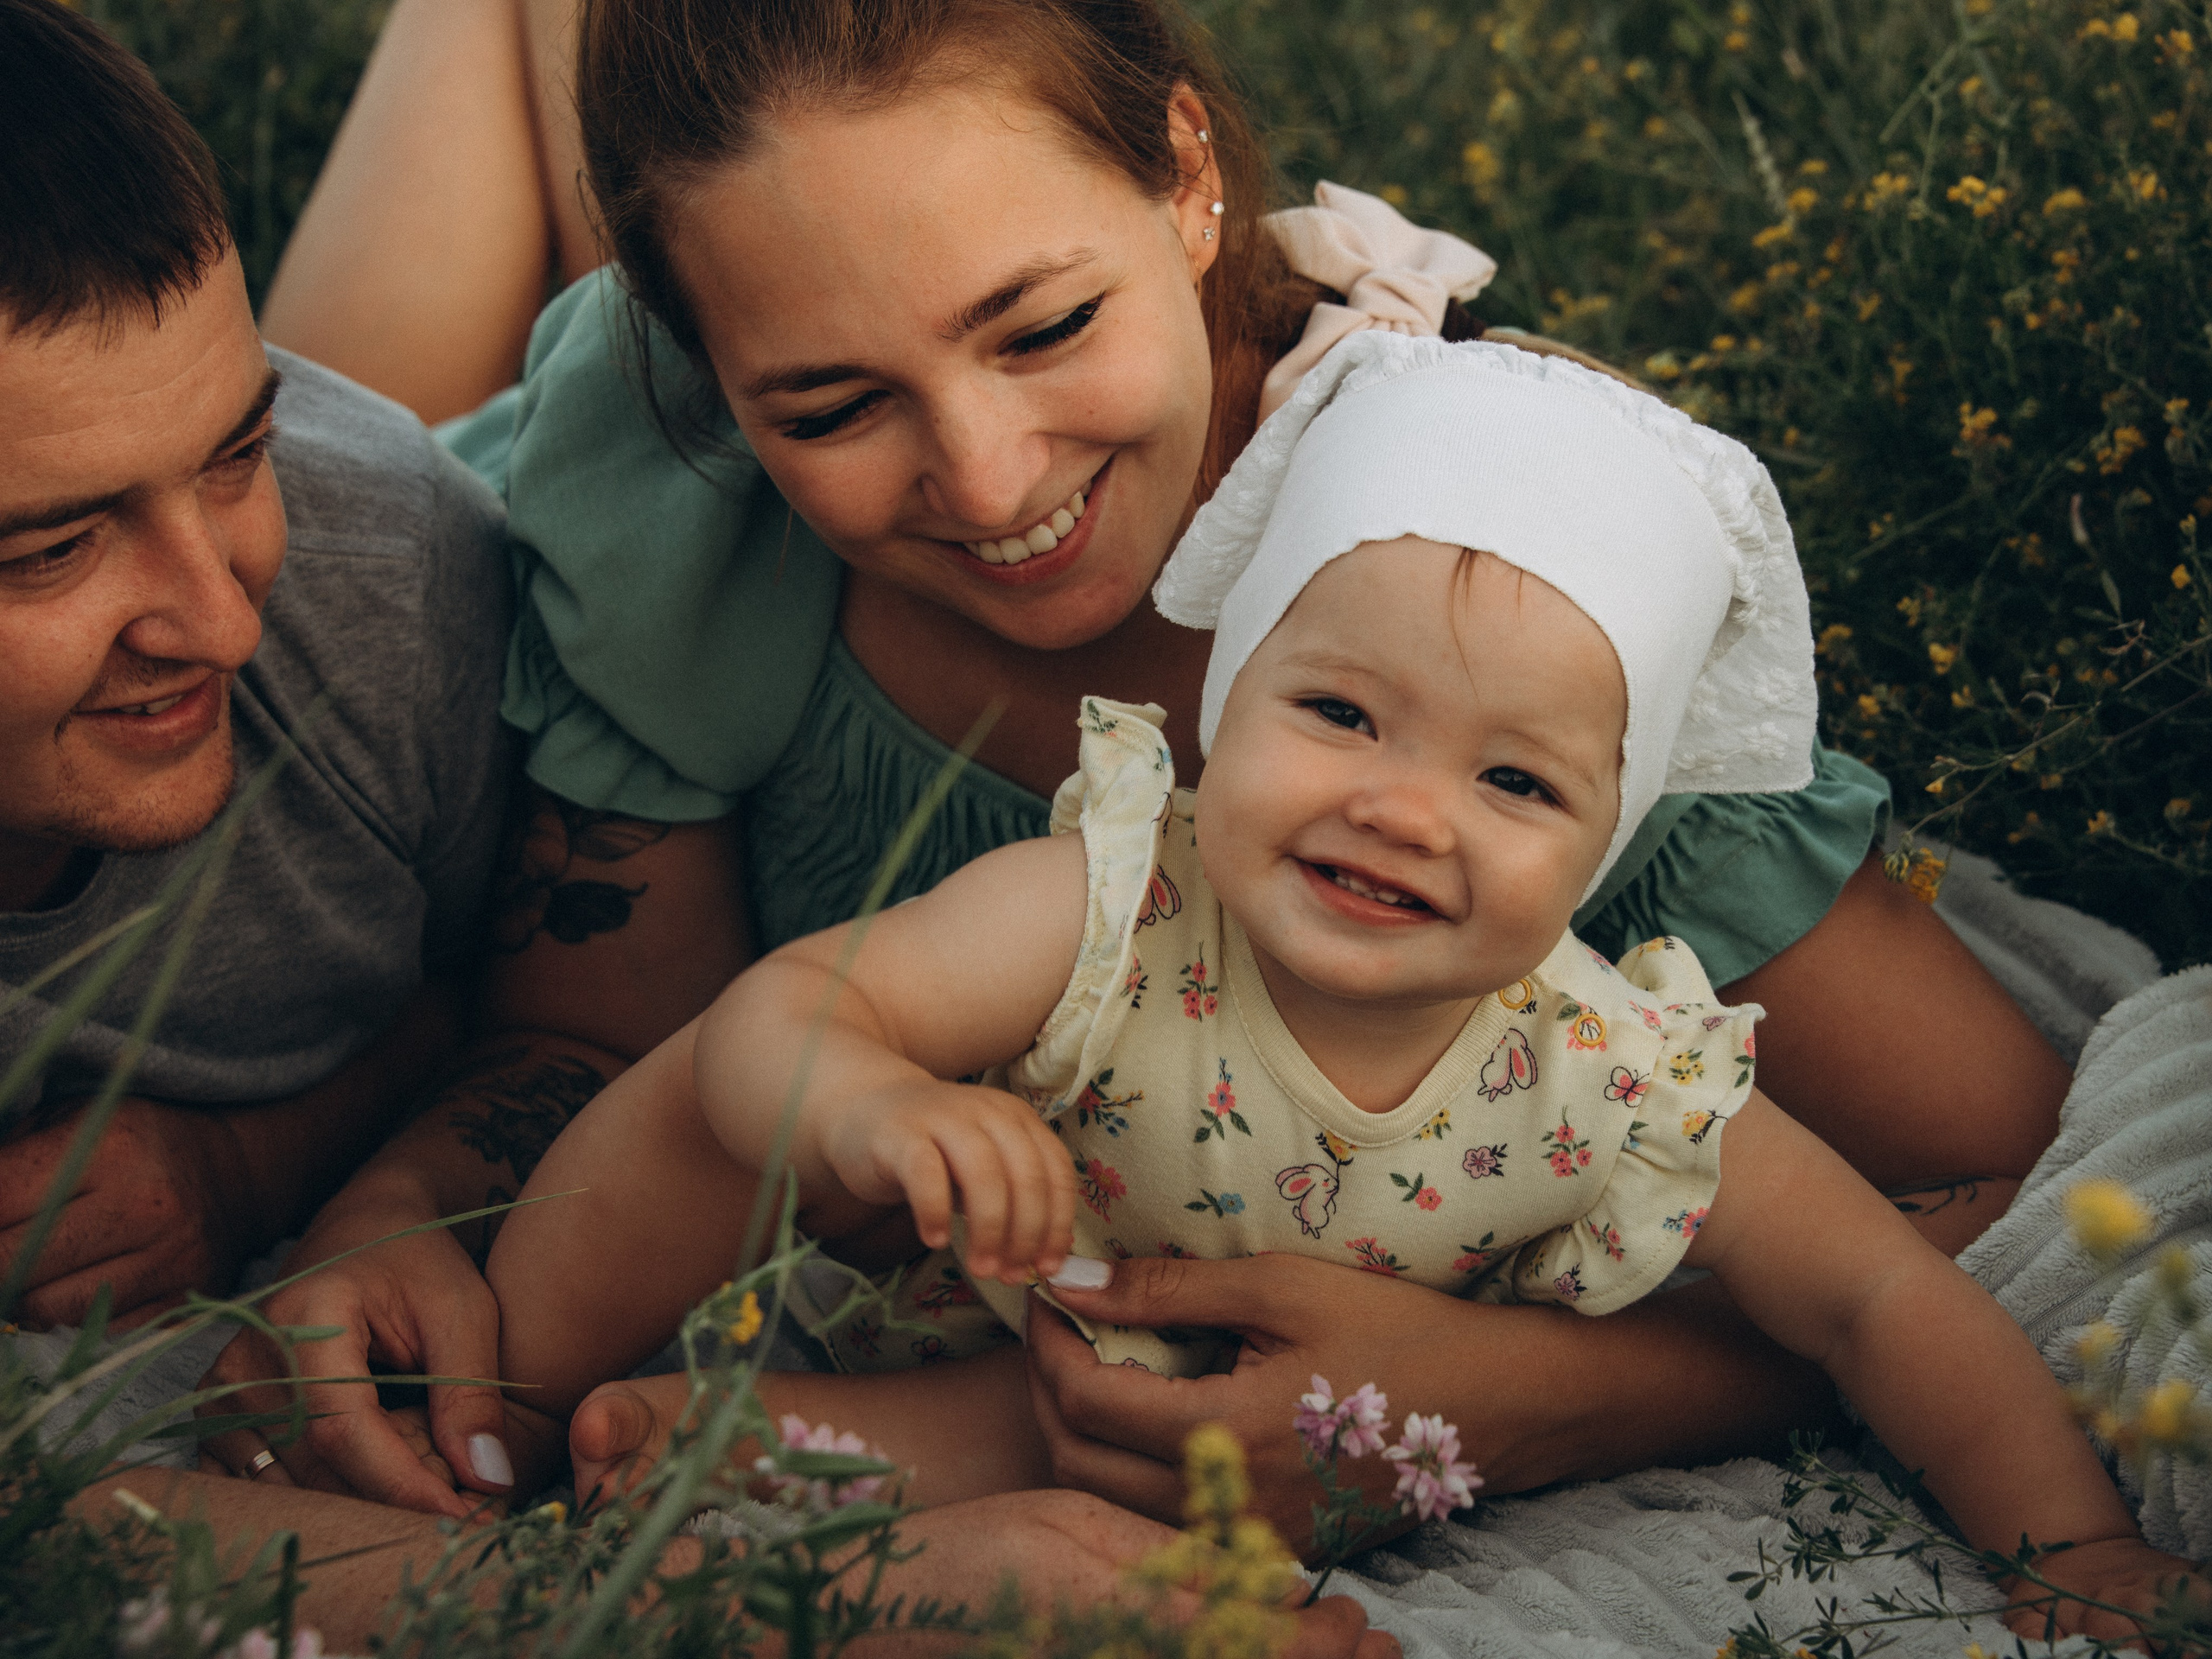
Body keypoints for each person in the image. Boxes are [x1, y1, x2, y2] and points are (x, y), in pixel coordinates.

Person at [230, 0, 2078, 1541]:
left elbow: (1999, 1177)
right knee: (327, 461)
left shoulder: (1488, 609)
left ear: (1189, 173)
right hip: (472, 489)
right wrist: (398, 1216)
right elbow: (594, 1045)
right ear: (704, 380)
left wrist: (1541, 1396)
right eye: (829, 402)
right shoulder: (685, 516)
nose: (988, 481)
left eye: (1044, 326)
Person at [490, 334, 2203, 1641]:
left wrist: (2072, 1546)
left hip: (1192, 1420)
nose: (1401, 809)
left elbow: (1877, 1300)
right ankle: (523, 1370)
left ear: (1605, 843)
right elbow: (792, 1011)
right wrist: (873, 1102)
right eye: (1339, 714)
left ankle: (731, 1452)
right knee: (723, 1113)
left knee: (1063, 1448)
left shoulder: (1608, 1074)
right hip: (1033, 1303)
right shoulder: (1112, 907)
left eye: (1513, 782)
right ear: (1224, 703)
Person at [0, 0, 511, 1353]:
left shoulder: (393, 563)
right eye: (51, 549)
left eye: (239, 452)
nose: (227, 628)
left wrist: (255, 1164)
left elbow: (569, 999)